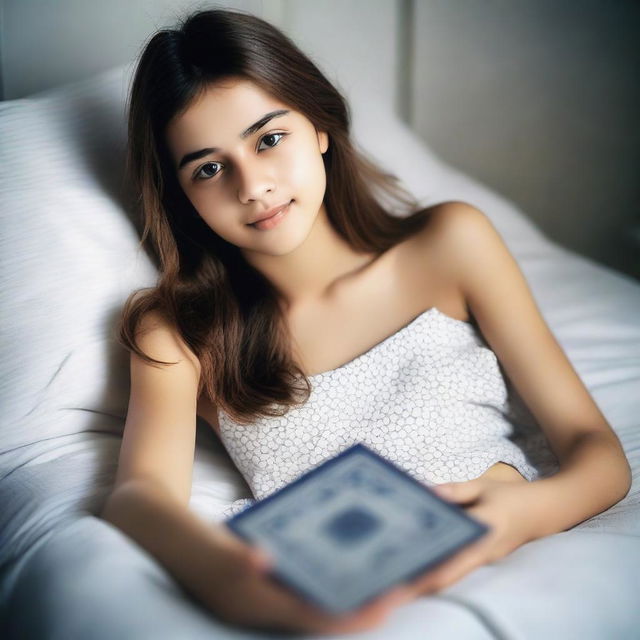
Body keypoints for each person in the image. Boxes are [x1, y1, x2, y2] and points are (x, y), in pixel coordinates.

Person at [99, 7, 632, 636]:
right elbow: (139, 497)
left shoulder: (449, 243)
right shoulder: (181, 333)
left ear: (320, 126)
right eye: (209, 168)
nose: (253, 186)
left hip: (518, 561)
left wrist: (517, 517)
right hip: (337, 602)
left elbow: (599, 456)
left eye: (269, 139)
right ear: (181, 194)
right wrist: (234, 579)